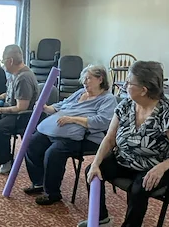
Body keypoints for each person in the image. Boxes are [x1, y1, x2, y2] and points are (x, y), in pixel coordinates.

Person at [83, 60, 169, 227]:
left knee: (138, 189)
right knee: (92, 171)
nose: (124, 86)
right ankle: (101, 217)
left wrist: (161, 168)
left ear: (143, 90)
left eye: (128, 83)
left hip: (157, 167)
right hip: (126, 159)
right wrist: (97, 163)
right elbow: (110, 138)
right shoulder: (125, 105)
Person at [24, 65, 117, 205]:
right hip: (58, 132)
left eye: (88, 78)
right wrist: (46, 108)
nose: (84, 82)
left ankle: (52, 193)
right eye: (84, 79)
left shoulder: (107, 99)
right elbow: (62, 105)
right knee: (32, 144)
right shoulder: (80, 92)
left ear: (100, 79)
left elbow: (103, 122)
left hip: (85, 138)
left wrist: (73, 119)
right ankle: (39, 182)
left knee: (53, 153)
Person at [0, 44, 39, 175]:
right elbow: (10, 93)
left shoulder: (24, 78)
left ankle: (6, 160)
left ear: (10, 61)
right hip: (12, 109)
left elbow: (21, 107)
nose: (2, 63)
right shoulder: (15, 74)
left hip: (24, 116)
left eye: (4, 60)